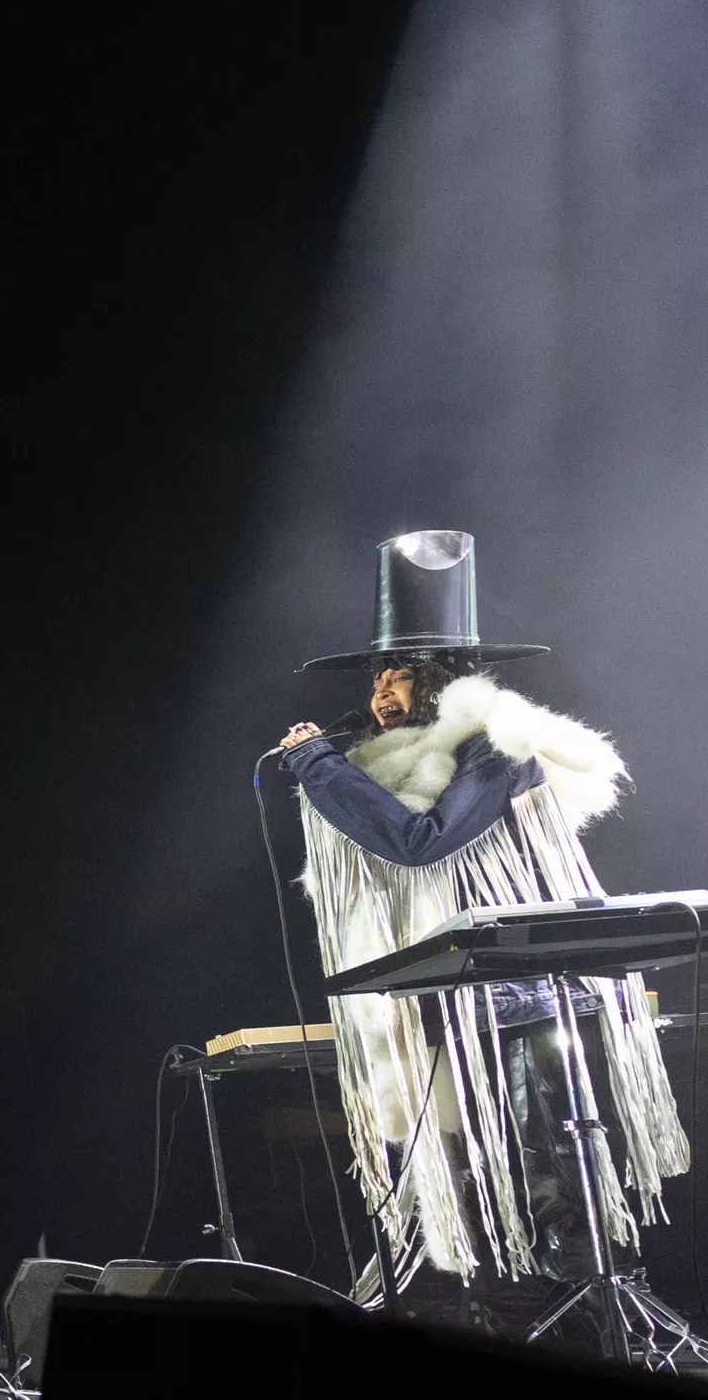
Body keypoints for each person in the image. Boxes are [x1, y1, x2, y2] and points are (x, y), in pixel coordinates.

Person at [277, 530, 687, 1328]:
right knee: (459, 1171)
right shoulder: (389, 767)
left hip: (527, 1003)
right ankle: (487, 1320)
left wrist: (319, 766)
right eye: (379, 675)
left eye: (401, 673)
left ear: (442, 682)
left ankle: (593, 1327)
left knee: (551, 1170)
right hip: (450, 1003)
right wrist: (327, 768)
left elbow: (418, 842)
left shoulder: (497, 749)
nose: (383, 689)